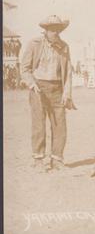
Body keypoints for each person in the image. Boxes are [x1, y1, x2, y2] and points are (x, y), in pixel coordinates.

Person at [20, 15, 76, 172]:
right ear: (45, 31)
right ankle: (38, 159)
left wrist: (67, 92)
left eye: (58, 30)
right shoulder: (34, 44)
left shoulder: (64, 47)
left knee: (60, 125)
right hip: (38, 88)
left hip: (57, 89)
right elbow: (24, 69)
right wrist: (32, 83)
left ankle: (57, 159)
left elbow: (68, 72)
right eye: (52, 30)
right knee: (39, 124)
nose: (56, 33)